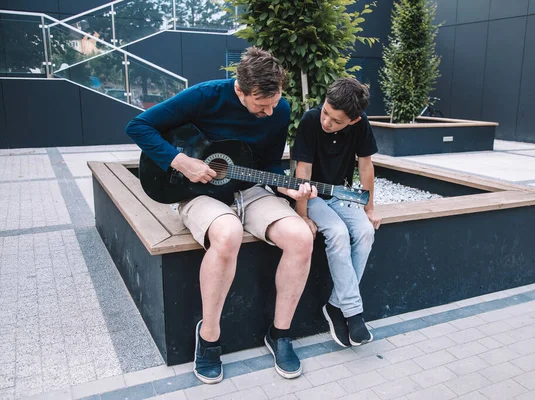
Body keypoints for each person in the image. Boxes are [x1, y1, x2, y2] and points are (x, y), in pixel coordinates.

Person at [126, 47, 317, 383]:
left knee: (301, 236)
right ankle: (209, 336)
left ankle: (280, 333)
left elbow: (271, 164)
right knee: (227, 233)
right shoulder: (204, 96)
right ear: (240, 89)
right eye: (261, 105)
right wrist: (181, 161)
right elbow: (139, 127)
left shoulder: (279, 108)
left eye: (275, 103)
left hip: (251, 191)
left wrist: (287, 188)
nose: (270, 111)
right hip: (197, 191)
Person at [292, 77, 382, 347]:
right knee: (338, 233)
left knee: (366, 232)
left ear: (354, 120)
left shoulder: (360, 125)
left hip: (341, 195)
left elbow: (366, 167)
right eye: (326, 113)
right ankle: (354, 312)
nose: (326, 122)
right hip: (313, 197)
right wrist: (303, 215)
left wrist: (369, 208)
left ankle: (335, 305)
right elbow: (302, 174)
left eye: (336, 121)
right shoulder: (310, 120)